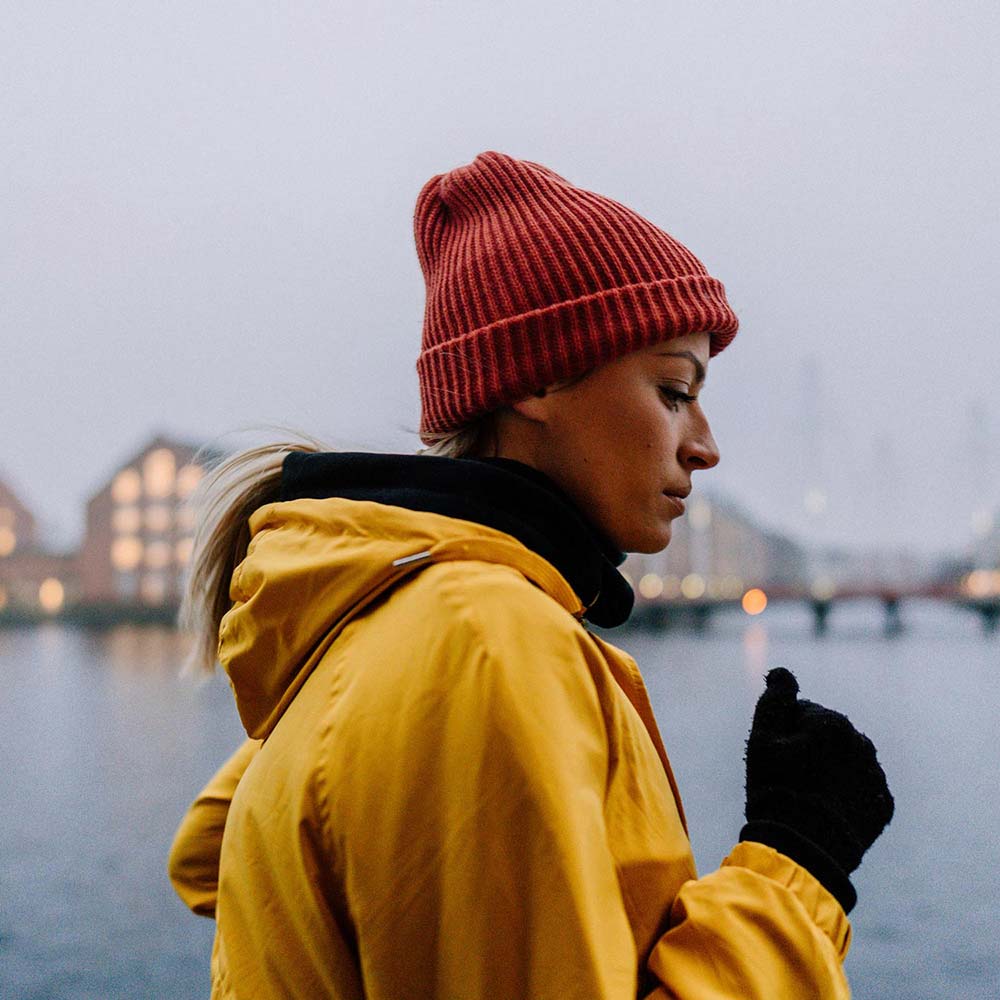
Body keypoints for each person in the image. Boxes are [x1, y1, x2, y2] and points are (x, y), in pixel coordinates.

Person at [168, 151, 893, 999]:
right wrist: (795, 865)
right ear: (541, 375)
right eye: (672, 389)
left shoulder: (376, 621)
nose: (704, 444)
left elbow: (222, 861)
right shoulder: (482, 641)